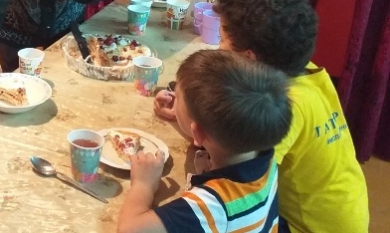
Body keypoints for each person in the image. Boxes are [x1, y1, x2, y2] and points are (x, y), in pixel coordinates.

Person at [153, 0, 369, 233]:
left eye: (222, 40)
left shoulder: (281, 103)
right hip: (347, 212)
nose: (218, 47)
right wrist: (184, 114)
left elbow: (240, 176)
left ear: (248, 58)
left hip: (309, 227)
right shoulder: (305, 71)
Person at [118, 50, 292, 233]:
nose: (171, 95)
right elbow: (214, 140)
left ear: (198, 132)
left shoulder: (212, 206)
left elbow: (129, 230)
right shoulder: (262, 151)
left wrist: (143, 185)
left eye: (176, 94)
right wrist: (178, 118)